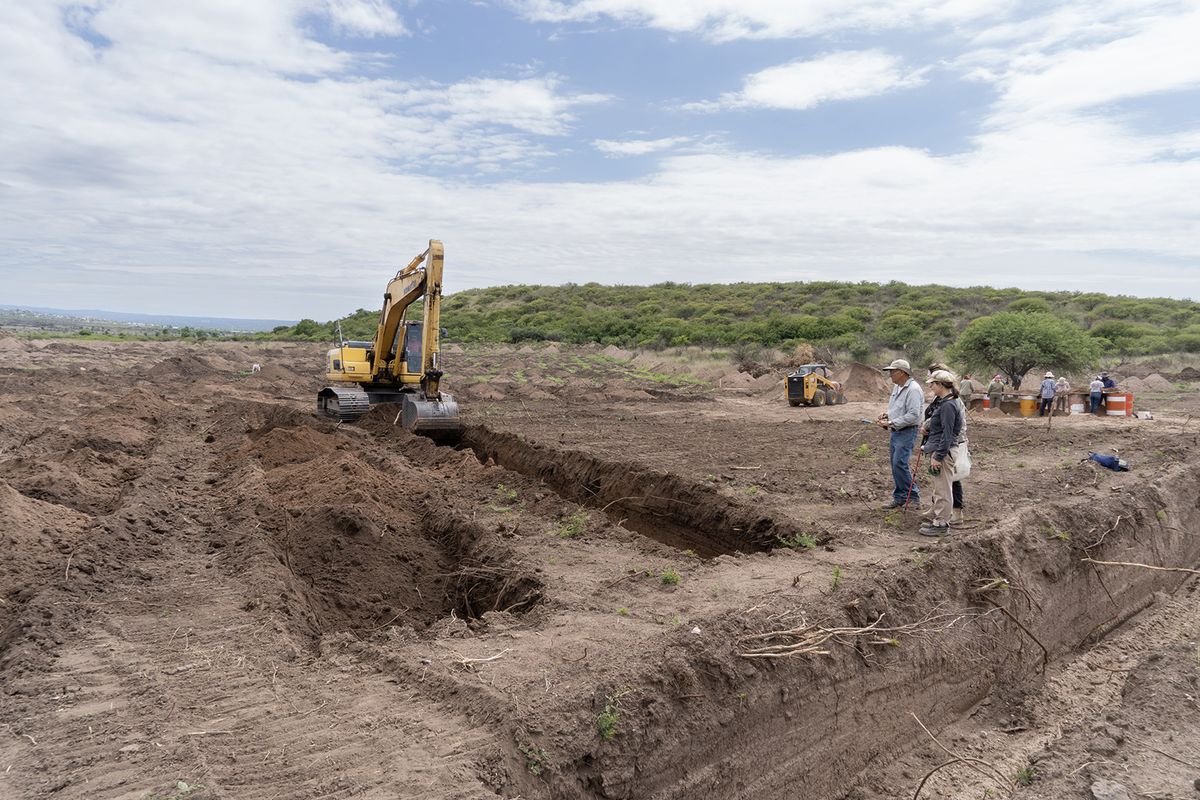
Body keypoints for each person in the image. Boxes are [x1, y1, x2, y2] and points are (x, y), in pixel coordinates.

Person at [919, 370, 963, 536]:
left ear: (941, 385)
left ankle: (942, 524)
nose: (930, 386)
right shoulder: (947, 403)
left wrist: (938, 455)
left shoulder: (948, 405)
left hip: (943, 452)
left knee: (943, 489)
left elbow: (948, 434)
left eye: (933, 383)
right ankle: (938, 521)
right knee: (940, 488)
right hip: (941, 449)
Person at [876, 359, 924, 509]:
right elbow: (897, 408)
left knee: (900, 463)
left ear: (902, 373)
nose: (890, 375)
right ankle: (900, 497)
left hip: (907, 431)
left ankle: (913, 496)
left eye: (892, 371)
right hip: (897, 431)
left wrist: (890, 423)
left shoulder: (913, 389)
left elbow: (914, 415)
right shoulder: (897, 387)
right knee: (895, 464)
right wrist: (887, 416)